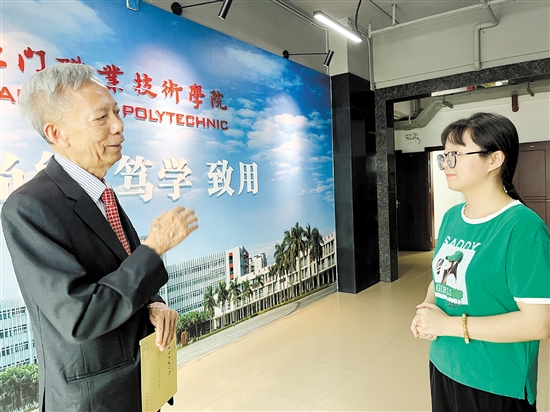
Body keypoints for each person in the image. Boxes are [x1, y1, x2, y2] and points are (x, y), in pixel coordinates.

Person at [1, 63, 199, 411]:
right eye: (101, 117)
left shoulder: (100, 193)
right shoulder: (29, 207)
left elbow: (121, 273)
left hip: (138, 386)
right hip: (94, 400)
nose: (119, 126)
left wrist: (153, 303)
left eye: (117, 113)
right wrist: (153, 247)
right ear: (58, 133)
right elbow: (79, 317)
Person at [410, 112, 550, 412]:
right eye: (444, 155)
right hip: (444, 363)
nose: (446, 164)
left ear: (494, 159)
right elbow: (439, 279)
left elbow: (539, 323)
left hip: (495, 380)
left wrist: (449, 325)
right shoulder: (452, 217)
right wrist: (427, 310)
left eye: (456, 155)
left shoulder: (522, 228)